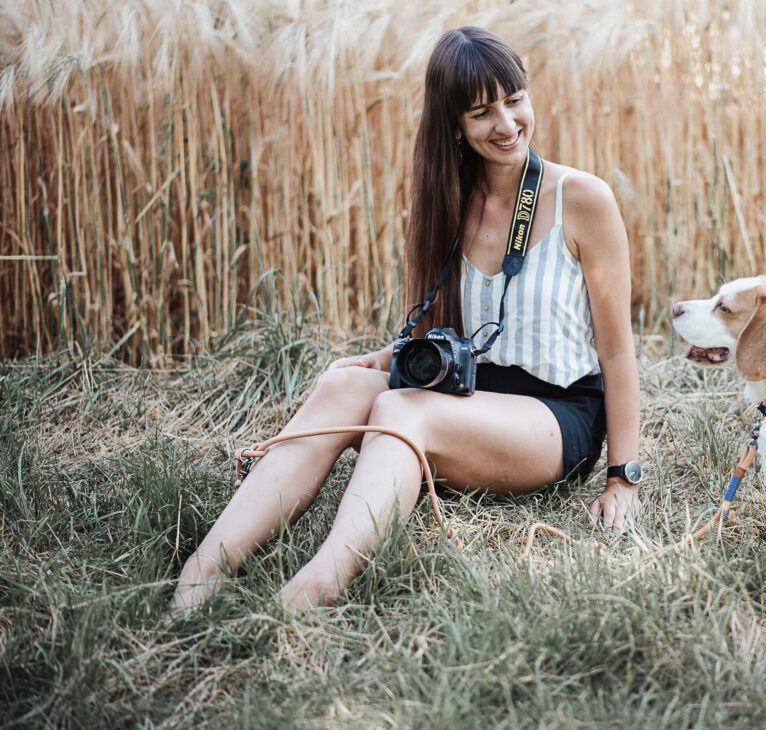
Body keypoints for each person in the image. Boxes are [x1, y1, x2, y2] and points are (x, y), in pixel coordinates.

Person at [171, 26, 642, 611]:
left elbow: (618, 351)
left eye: (514, 99)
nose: (506, 123)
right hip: (467, 394)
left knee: (396, 407)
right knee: (345, 383)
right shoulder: (444, 198)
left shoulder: (582, 198)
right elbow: (436, 328)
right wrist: (384, 358)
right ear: (454, 126)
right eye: (481, 111)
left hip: (556, 416)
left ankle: (309, 593)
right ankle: (204, 569)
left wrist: (622, 477)